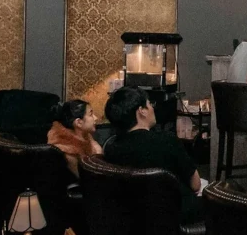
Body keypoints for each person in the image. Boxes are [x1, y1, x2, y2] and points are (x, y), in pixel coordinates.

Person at [103, 86, 202, 219]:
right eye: (150, 104)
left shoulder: (110, 148)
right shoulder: (167, 141)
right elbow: (196, 185)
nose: (153, 108)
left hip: (131, 218)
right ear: (141, 111)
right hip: (174, 215)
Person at [46, 99, 102, 177]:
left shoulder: (85, 136)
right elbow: (87, 180)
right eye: (91, 114)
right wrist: (98, 153)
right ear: (79, 122)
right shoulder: (67, 151)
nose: (95, 118)